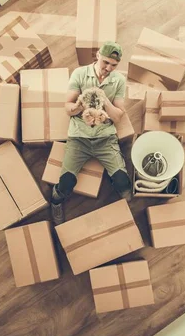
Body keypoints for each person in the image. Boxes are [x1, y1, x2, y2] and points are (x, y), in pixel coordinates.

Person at [51, 41, 131, 225]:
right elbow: (68, 108)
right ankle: (56, 201)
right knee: (66, 182)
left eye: (113, 65)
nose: (108, 68)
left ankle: (116, 187)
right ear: (97, 56)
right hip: (79, 138)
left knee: (123, 184)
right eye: (105, 62)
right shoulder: (80, 74)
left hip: (106, 138)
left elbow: (118, 116)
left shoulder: (118, 80)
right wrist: (81, 104)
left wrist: (104, 100)